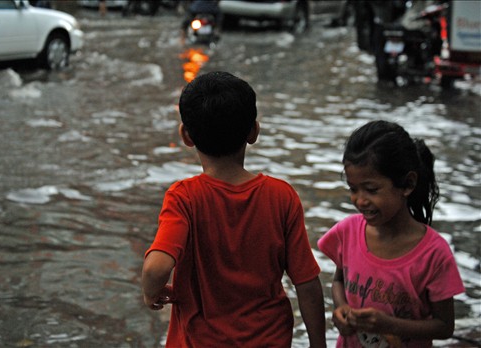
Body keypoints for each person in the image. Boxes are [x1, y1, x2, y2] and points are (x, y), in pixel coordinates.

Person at [142, 71, 326, 347]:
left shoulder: (184, 198)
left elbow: (156, 268)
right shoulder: (281, 196)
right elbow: (307, 282)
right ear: (253, 131)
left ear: (186, 135)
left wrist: (151, 293)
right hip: (269, 338)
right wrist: (318, 343)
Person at [317, 120, 465, 347]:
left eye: (371, 189)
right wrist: (341, 309)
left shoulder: (433, 254)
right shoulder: (348, 232)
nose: (360, 200)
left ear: (407, 184)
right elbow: (339, 280)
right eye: (353, 189)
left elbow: (445, 326)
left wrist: (389, 325)